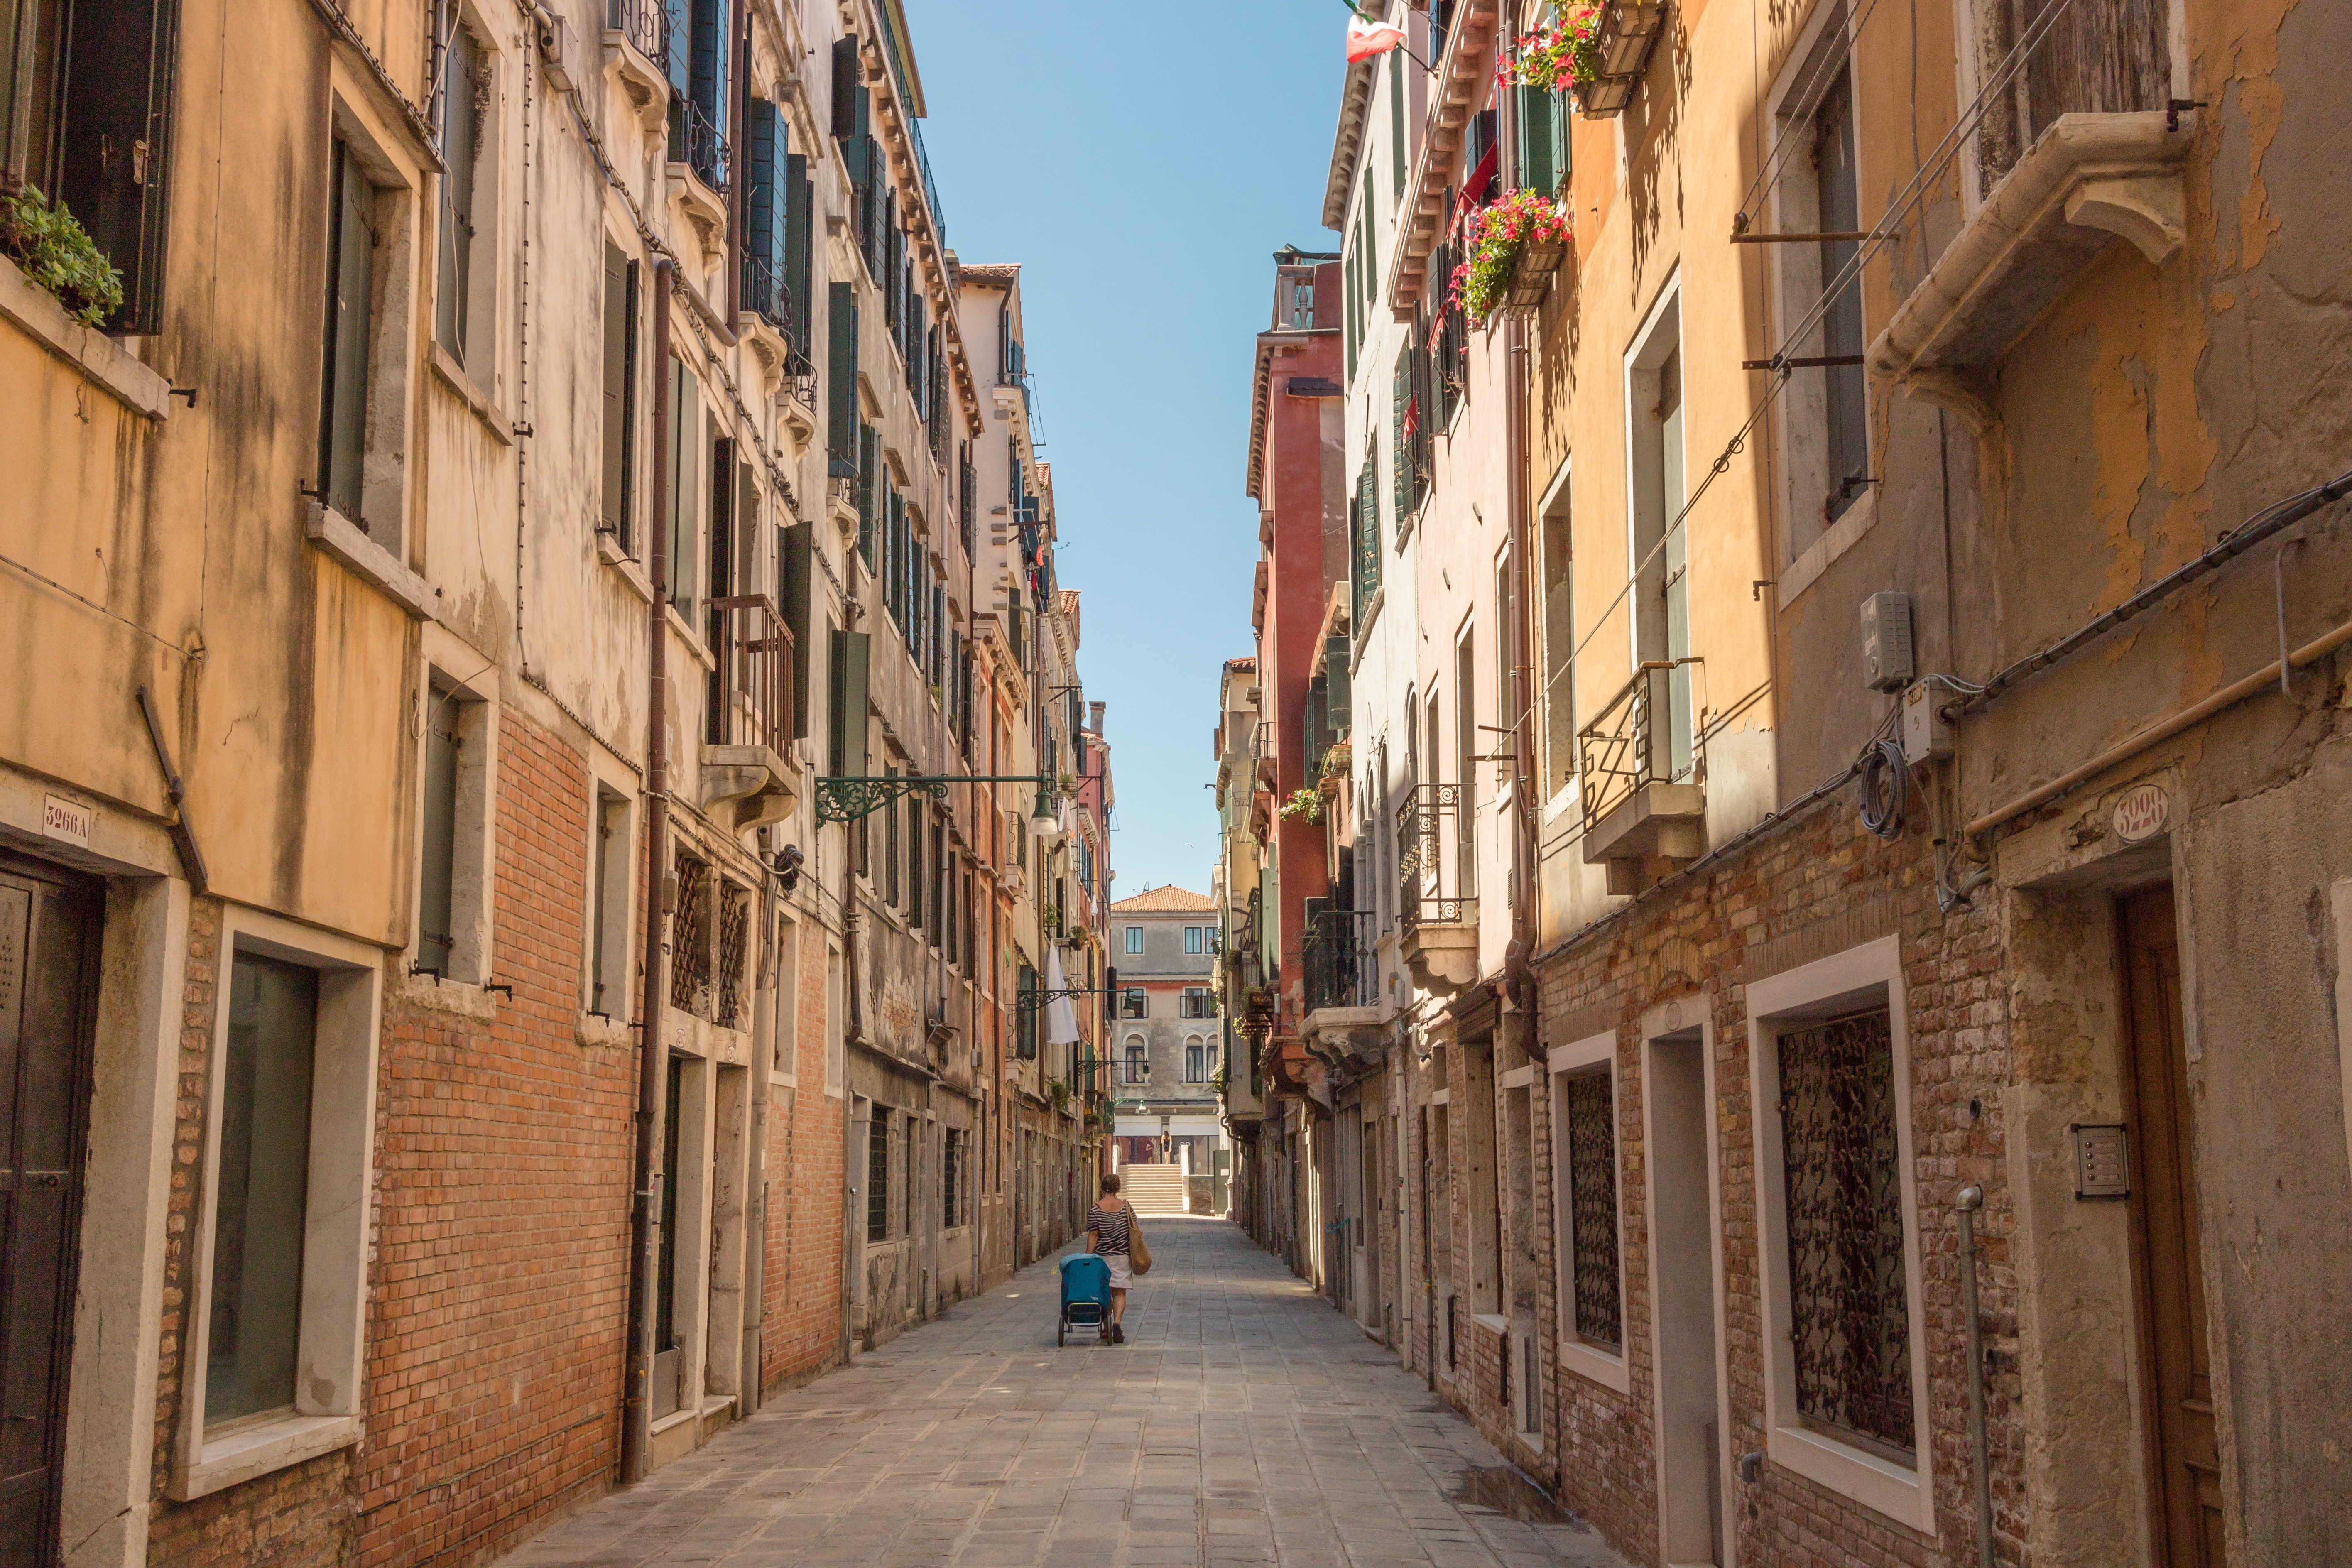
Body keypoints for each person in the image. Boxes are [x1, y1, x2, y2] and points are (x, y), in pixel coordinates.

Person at [1087, 1174, 1134, 1343]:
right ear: (1117, 1188)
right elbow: (1134, 1229)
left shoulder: (1096, 1209)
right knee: (1119, 1291)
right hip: (1122, 1255)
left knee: (1104, 1292)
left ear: (1102, 1187)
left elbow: (1094, 1234)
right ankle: (1117, 1323)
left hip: (1103, 1257)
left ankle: (1106, 1329)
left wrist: (1088, 1256)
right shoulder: (1126, 1208)